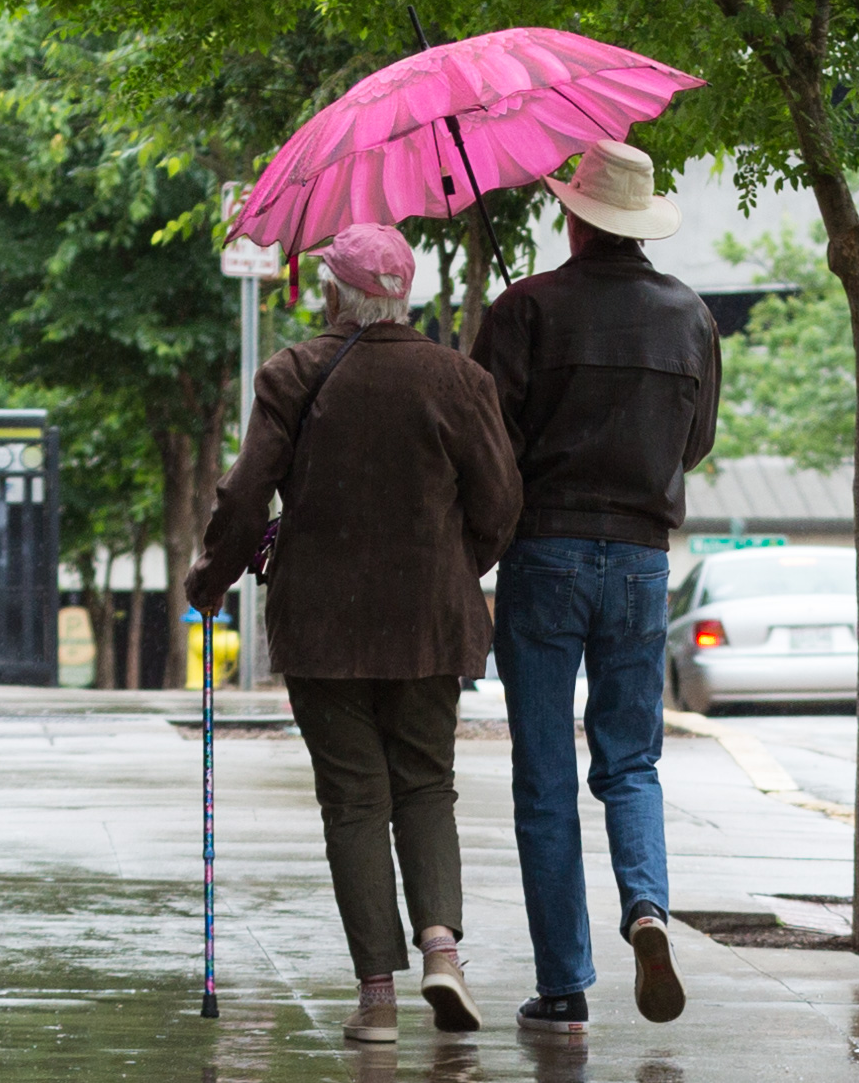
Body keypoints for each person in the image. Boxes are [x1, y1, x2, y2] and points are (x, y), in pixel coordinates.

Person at [186, 222, 523, 1043]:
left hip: (322, 624)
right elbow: (501, 506)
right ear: (401, 296)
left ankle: (376, 998)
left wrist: (210, 577)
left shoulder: (294, 372)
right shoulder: (459, 379)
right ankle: (441, 946)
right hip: (429, 625)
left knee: (353, 801)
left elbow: (244, 496)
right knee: (425, 783)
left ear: (333, 292)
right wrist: (450, 561)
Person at [470, 140, 719, 1034]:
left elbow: (486, 443)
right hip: (643, 561)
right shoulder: (690, 314)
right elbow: (694, 441)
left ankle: (564, 982)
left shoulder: (524, 306)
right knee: (629, 760)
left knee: (542, 774)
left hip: (545, 555)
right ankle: (647, 908)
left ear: (574, 217)